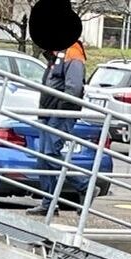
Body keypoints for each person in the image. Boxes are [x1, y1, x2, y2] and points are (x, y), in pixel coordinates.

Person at [30, 38, 86, 215]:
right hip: (49, 112)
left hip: (60, 112)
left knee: (50, 155)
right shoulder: (56, 54)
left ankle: (84, 186)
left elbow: (74, 88)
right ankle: (49, 203)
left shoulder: (72, 51)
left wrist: (62, 110)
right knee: (43, 158)